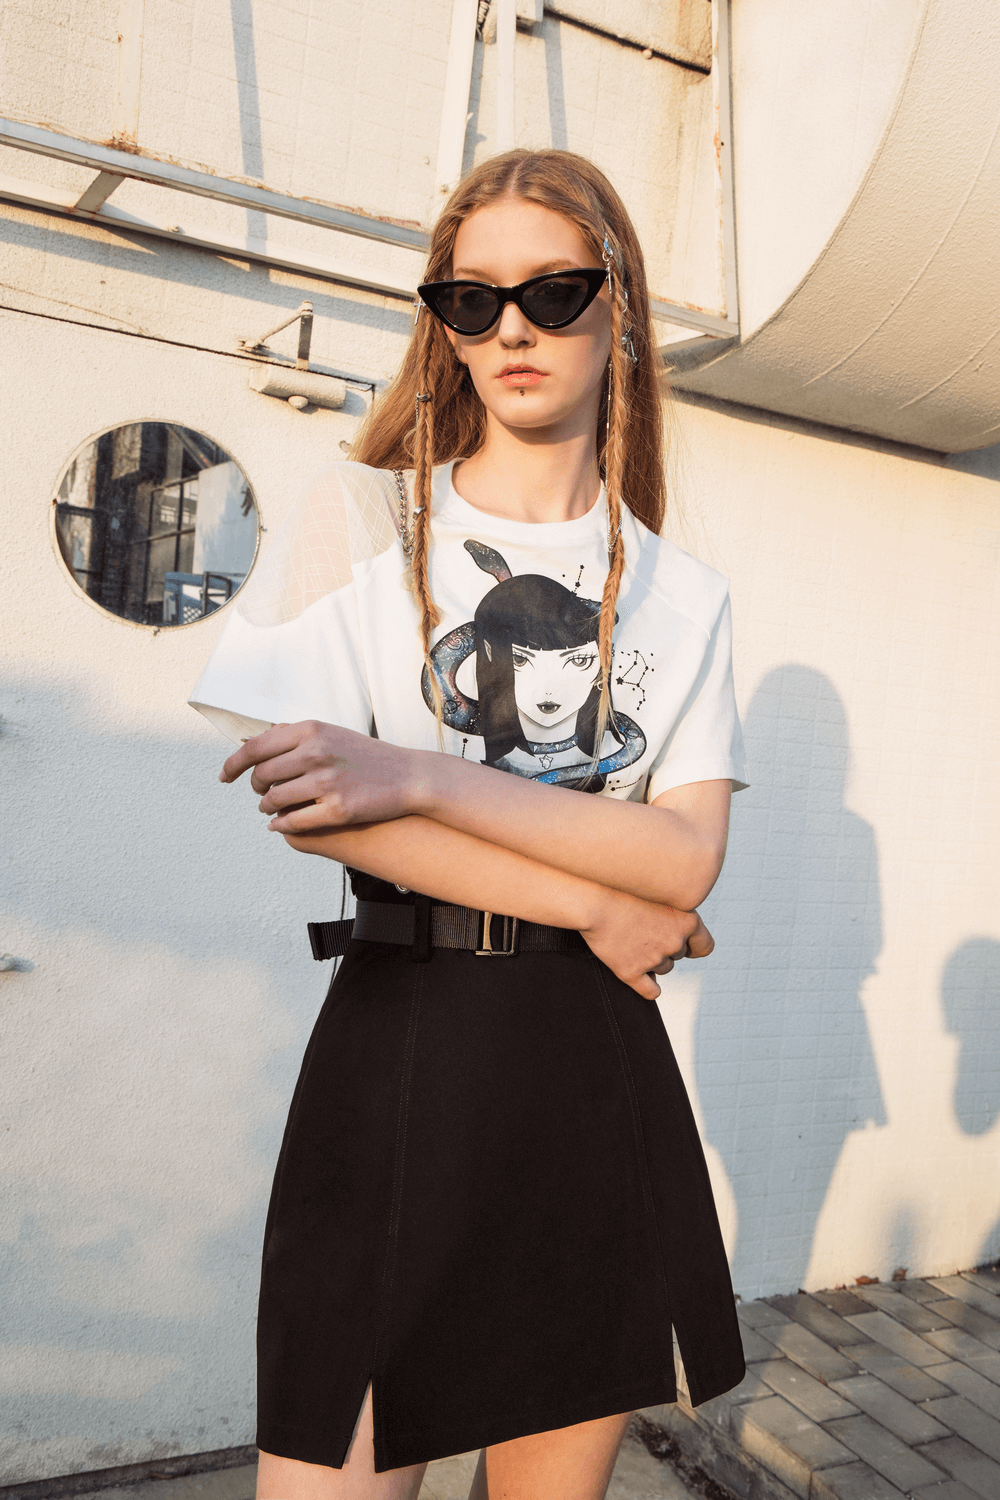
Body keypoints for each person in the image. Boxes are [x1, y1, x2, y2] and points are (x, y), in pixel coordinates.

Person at [190, 148, 749, 1500]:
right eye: (471, 295)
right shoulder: (363, 515)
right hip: (402, 1045)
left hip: (589, 1069)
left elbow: (686, 859)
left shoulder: (683, 596)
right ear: (439, 317)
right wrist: (598, 895)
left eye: (555, 291)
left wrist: (421, 777)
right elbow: (315, 808)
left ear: (620, 308)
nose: (512, 327)